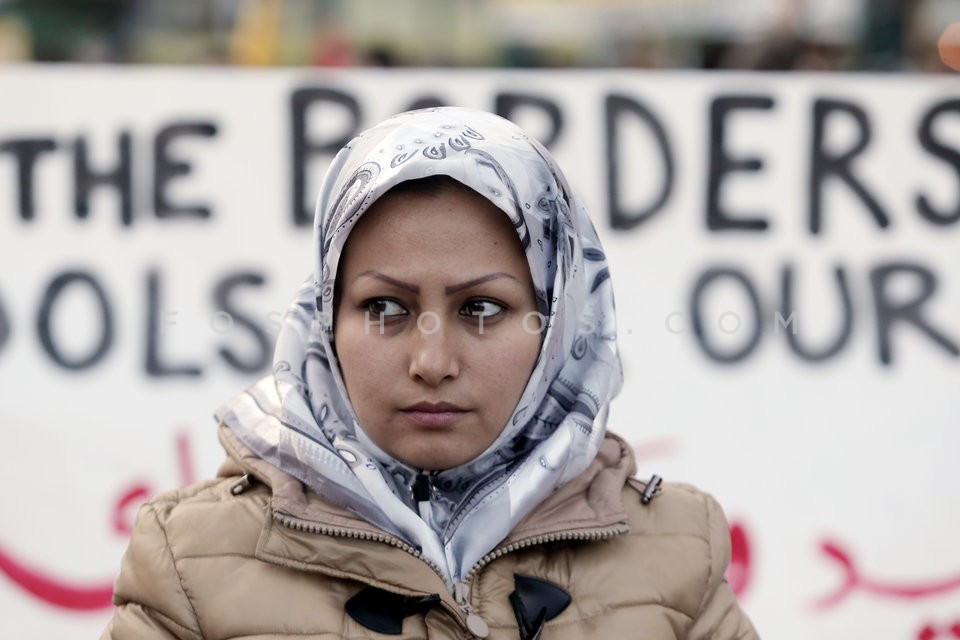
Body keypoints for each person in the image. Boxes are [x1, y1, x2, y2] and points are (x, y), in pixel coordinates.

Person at [101, 107, 759, 639]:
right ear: (327, 319)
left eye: (482, 308)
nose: (431, 362)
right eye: (385, 307)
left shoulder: (675, 552)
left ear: (557, 325)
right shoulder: (190, 560)